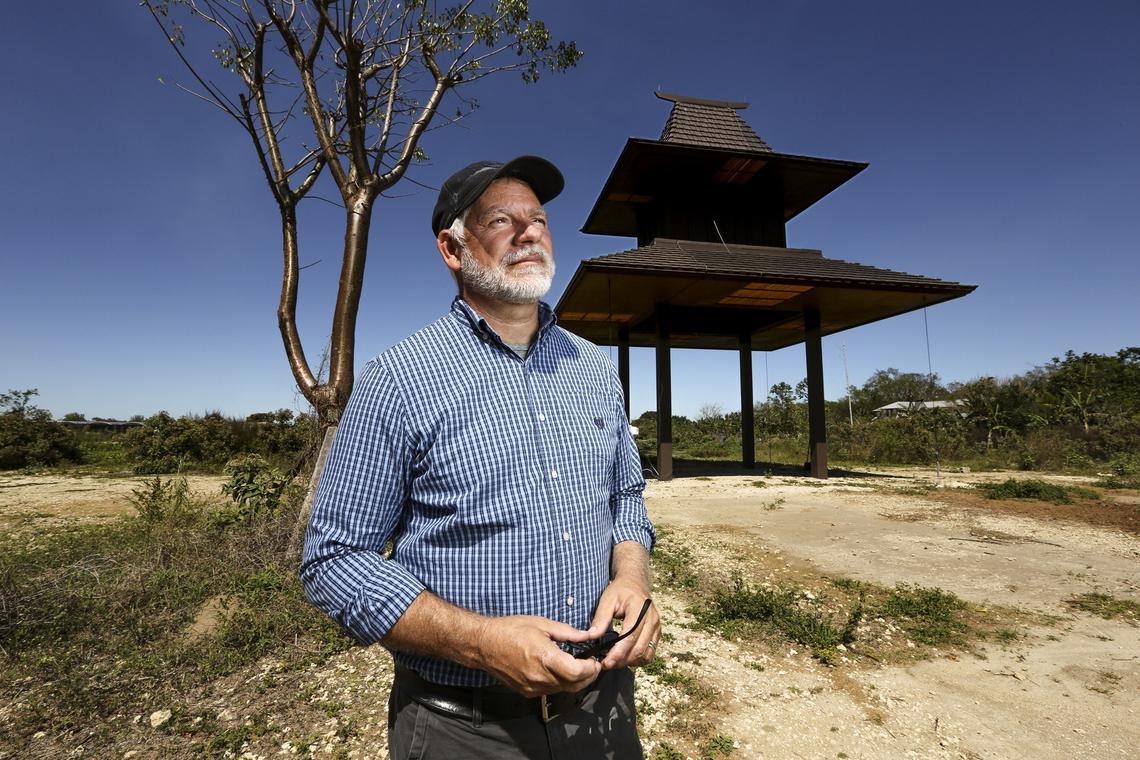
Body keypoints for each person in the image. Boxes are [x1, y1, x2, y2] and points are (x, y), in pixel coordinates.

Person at [301, 155, 660, 759]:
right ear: (452, 248)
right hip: (464, 728)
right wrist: (482, 643)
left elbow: (624, 497)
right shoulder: (401, 377)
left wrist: (632, 577)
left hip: (604, 709)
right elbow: (334, 559)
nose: (529, 233)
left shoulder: (594, 368)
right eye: (500, 221)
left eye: (539, 219)